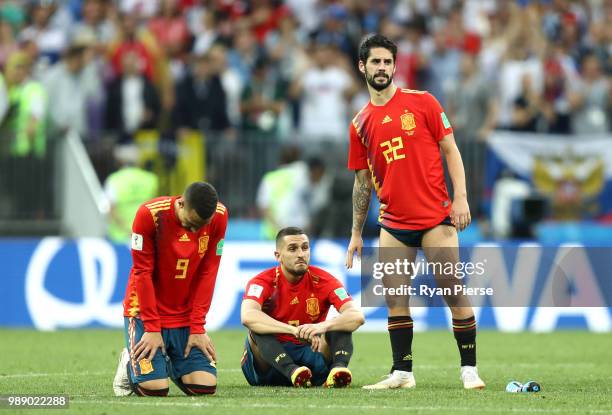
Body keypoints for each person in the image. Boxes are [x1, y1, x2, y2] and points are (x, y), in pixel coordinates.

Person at [345, 35, 485, 390]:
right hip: (393, 223)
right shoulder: (359, 123)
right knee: (394, 299)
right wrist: (356, 232)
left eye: (387, 62)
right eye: (375, 62)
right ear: (363, 67)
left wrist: (461, 198)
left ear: (395, 66)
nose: (382, 68)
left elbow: (451, 150)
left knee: (453, 289)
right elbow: (362, 183)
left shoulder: (422, 103)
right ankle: (402, 372)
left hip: (435, 218)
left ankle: (469, 368)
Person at [112, 181, 228, 397]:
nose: (196, 231)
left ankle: (169, 360)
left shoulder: (220, 215)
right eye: (191, 224)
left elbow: (208, 272)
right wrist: (153, 328)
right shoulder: (149, 215)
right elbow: (142, 273)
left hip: (184, 315)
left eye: (202, 226)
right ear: (181, 204)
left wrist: (197, 327)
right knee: (154, 390)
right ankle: (129, 362)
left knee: (204, 387)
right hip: (145, 312)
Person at [241, 227, 364, 387]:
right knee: (257, 328)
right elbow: (247, 315)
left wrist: (321, 326)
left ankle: (337, 371)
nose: (301, 254)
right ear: (278, 256)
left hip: (309, 355)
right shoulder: (262, 281)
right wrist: (293, 330)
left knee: (340, 323)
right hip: (269, 364)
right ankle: (292, 371)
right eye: (293, 249)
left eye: (305, 248)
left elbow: (356, 316)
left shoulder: (325, 280)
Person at [103, 145, 158, 243]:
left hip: (119, 237)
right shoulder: (151, 179)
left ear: (120, 161)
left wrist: (127, 231)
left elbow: (110, 210)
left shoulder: (114, 179)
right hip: (144, 236)